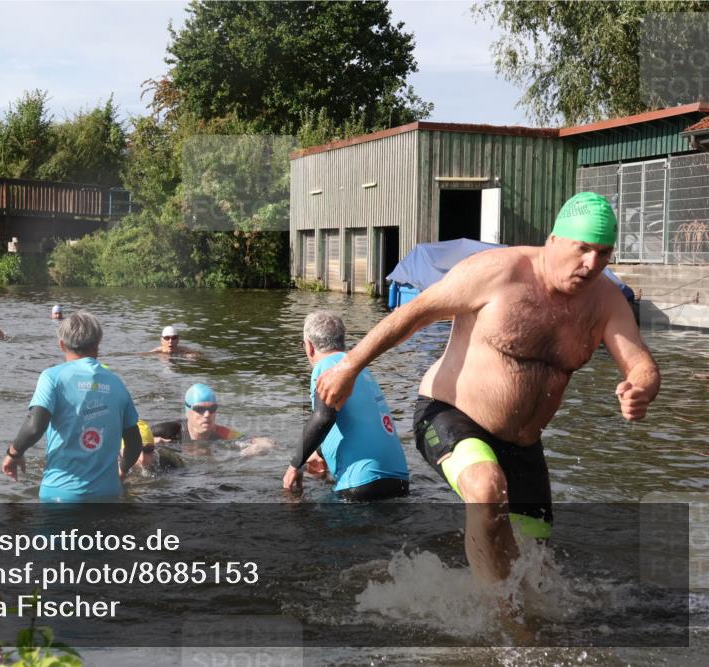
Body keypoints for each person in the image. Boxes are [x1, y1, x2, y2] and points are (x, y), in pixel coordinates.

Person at [315, 192, 661, 585]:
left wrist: (640, 388)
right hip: (450, 413)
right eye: (582, 249)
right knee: (486, 488)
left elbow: (641, 363)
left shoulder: (605, 301)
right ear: (553, 240)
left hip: (524, 444)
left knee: (535, 566)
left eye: (603, 253)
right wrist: (349, 366)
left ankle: (445, 588)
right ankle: (502, 625)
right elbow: (411, 315)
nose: (591, 264)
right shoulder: (498, 273)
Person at [0, 310, 143, 501]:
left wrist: (14, 453)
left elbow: (34, 426)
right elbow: (134, 443)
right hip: (107, 495)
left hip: (61, 494)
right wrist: (122, 471)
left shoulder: (52, 377)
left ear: (61, 344)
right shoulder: (117, 384)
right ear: (98, 343)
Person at [283, 311, 410, 501]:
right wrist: (319, 453)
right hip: (399, 482)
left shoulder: (325, 368)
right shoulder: (361, 369)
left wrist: (295, 465)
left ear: (309, 347)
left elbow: (323, 417)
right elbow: (358, 421)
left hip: (361, 484)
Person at [151, 384, 244, 443]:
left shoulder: (222, 433)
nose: (207, 414)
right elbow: (136, 438)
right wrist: (147, 442)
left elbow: (250, 440)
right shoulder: (167, 431)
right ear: (187, 412)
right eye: (200, 409)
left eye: (212, 408)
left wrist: (258, 445)